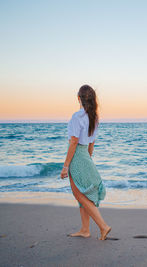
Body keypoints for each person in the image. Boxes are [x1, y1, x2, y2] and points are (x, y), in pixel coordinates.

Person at [60, 84, 111, 240]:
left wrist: (66, 165)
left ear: (79, 98)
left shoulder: (77, 117)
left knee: (80, 195)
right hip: (85, 155)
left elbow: (74, 141)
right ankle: (85, 229)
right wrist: (88, 159)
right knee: (84, 194)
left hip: (77, 156)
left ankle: (103, 226)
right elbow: (92, 143)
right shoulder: (94, 117)